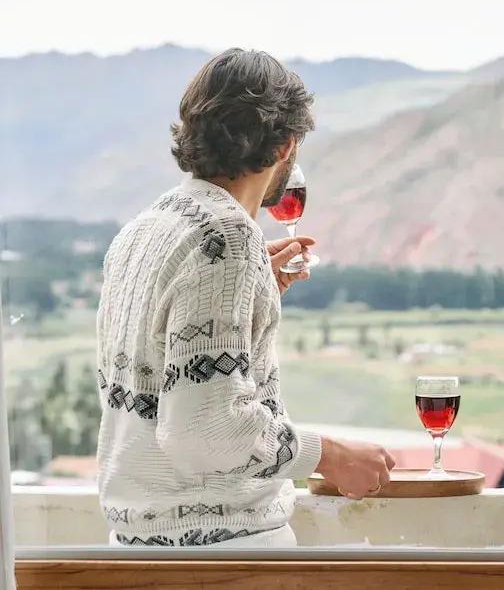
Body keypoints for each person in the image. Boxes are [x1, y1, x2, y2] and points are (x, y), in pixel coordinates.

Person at [96, 49, 395, 548]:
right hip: (223, 552)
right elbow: (206, 429)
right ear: (286, 146)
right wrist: (330, 454)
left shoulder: (146, 227)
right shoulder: (228, 239)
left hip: (138, 544)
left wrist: (255, 290)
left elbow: (157, 373)